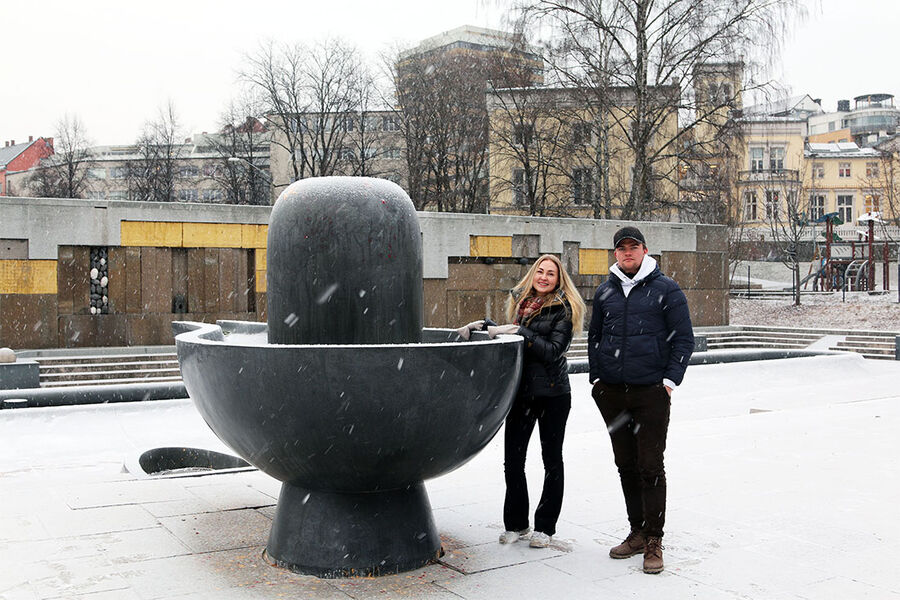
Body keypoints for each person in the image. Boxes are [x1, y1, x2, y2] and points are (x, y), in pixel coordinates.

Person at [587, 226, 693, 574]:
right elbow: (595, 337)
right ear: (615, 254)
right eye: (622, 248)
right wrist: (598, 378)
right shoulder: (606, 292)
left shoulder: (666, 289)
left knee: (650, 467)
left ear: (645, 251)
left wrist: (668, 381)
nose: (628, 253)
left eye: (633, 247)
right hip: (614, 394)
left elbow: (684, 340)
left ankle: (653, 541)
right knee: (625, 465)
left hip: (650, 394)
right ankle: (636, 531)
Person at [462, 254, 585, 549]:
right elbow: (516, 337)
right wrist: (485, 325)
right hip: (522, 394)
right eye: (539, 272)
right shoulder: (524, 305)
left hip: (553, 394)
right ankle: (516, 523)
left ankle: (545, 527)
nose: (543, 277)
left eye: (550, 274)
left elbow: (552, 350)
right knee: (513, 461)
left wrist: (520, 331)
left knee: (551, 461)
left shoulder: (564, 309)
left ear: (559, 280)